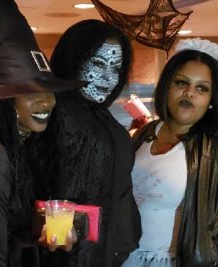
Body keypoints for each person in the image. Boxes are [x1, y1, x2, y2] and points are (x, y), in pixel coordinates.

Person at [122, 38, 218, 267]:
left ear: (212, 99)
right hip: (128, 259)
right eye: (181, 83)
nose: (190, 93)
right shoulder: (144, 134)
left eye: (202, 88)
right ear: (167, 86)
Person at [0, 1, 81, 266]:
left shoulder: (18, 142)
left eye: (47, 90)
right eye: (29, 93)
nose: (46, 102)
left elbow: (7, 226)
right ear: (4, 100)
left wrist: (41, 232)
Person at [31, 20, 141, 267]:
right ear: (74, 61)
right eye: (99, 64)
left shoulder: (98, 115)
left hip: (103, 252)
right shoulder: (63, 114)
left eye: (116, 68)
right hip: (75, 255)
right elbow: (59, 187)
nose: (108, 77)